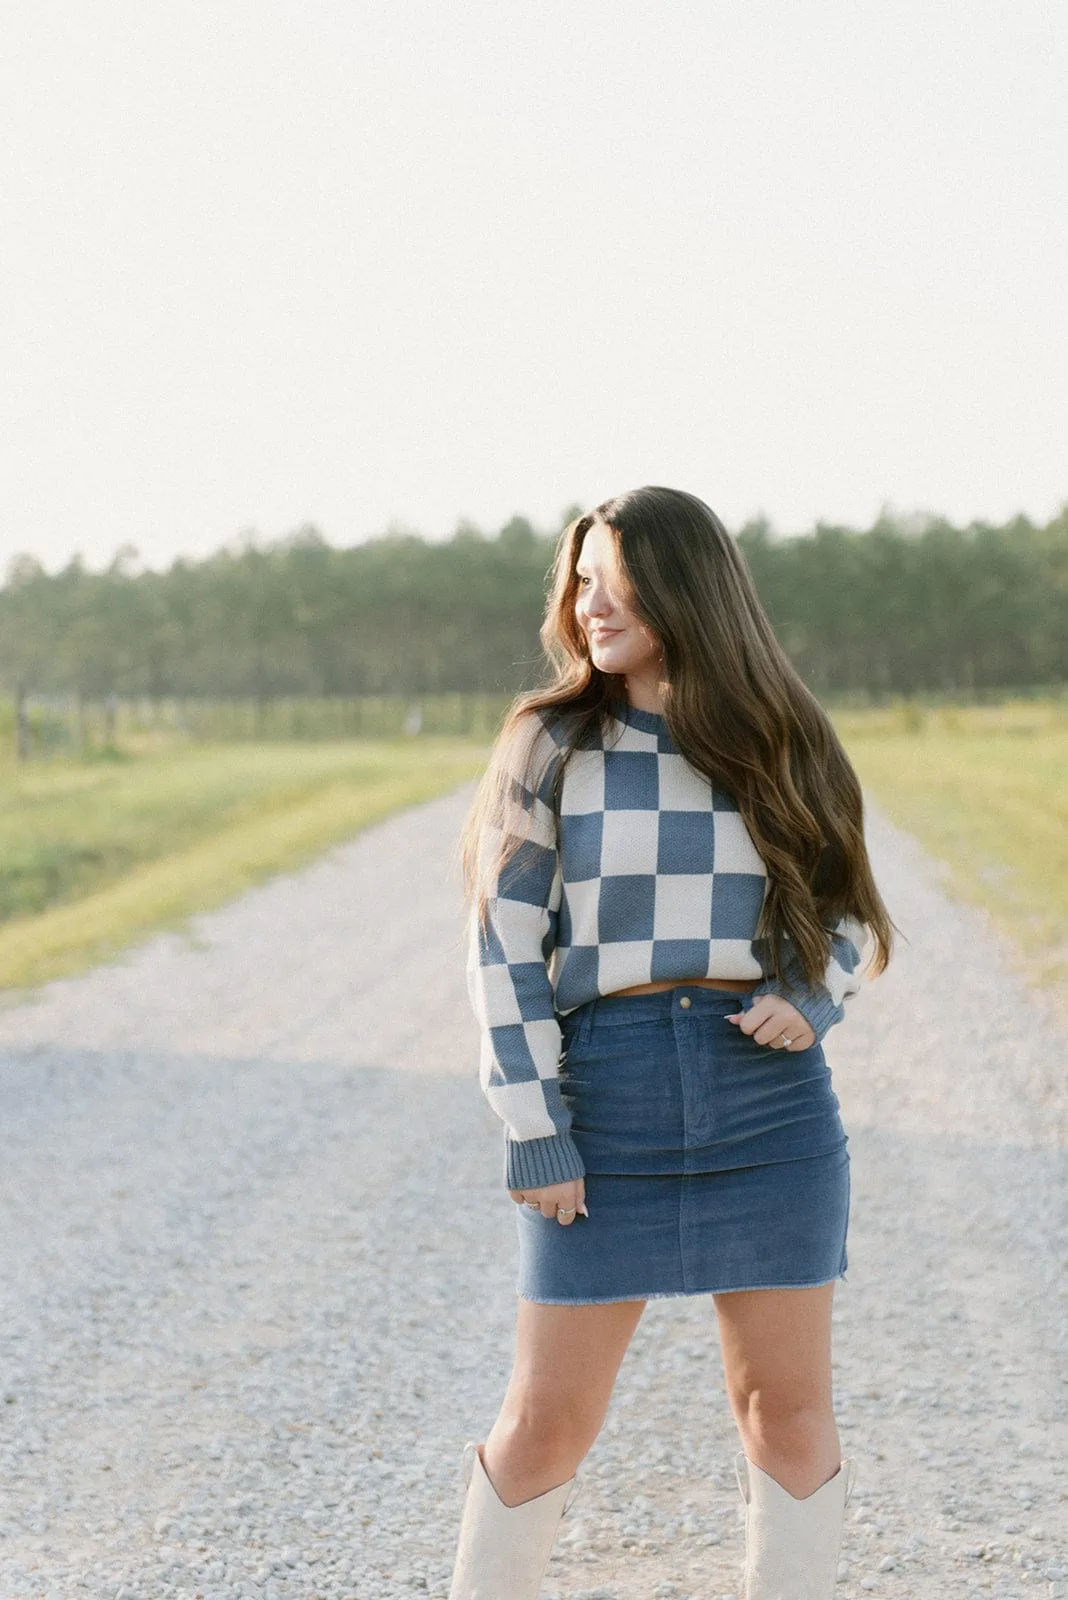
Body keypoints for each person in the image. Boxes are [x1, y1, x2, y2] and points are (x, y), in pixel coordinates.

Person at [450, 487, 896, 1600]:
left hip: (772, 1104)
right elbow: (501, 946)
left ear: (684, 587)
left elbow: (847, 900)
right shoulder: (550, 740)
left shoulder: (781, 733)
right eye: (581, 581)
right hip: (607, 1094)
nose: (588, 605)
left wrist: (813, 993)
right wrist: (533, 1125)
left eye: (616, 582)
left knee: (783, 1415)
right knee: (545, 1422)